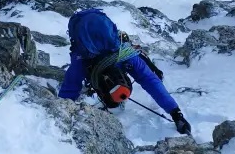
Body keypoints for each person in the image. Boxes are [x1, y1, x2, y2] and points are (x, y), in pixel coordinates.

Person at [58, 8, 192, 135]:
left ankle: (111, 93)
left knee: (116, 87)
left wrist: (176, 113)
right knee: (111, 91)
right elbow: (71, 86)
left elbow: (149, 80)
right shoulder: (82, 58)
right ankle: (110, 95)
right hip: (83, 31)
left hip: (89, 32)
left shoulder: (125, 55)